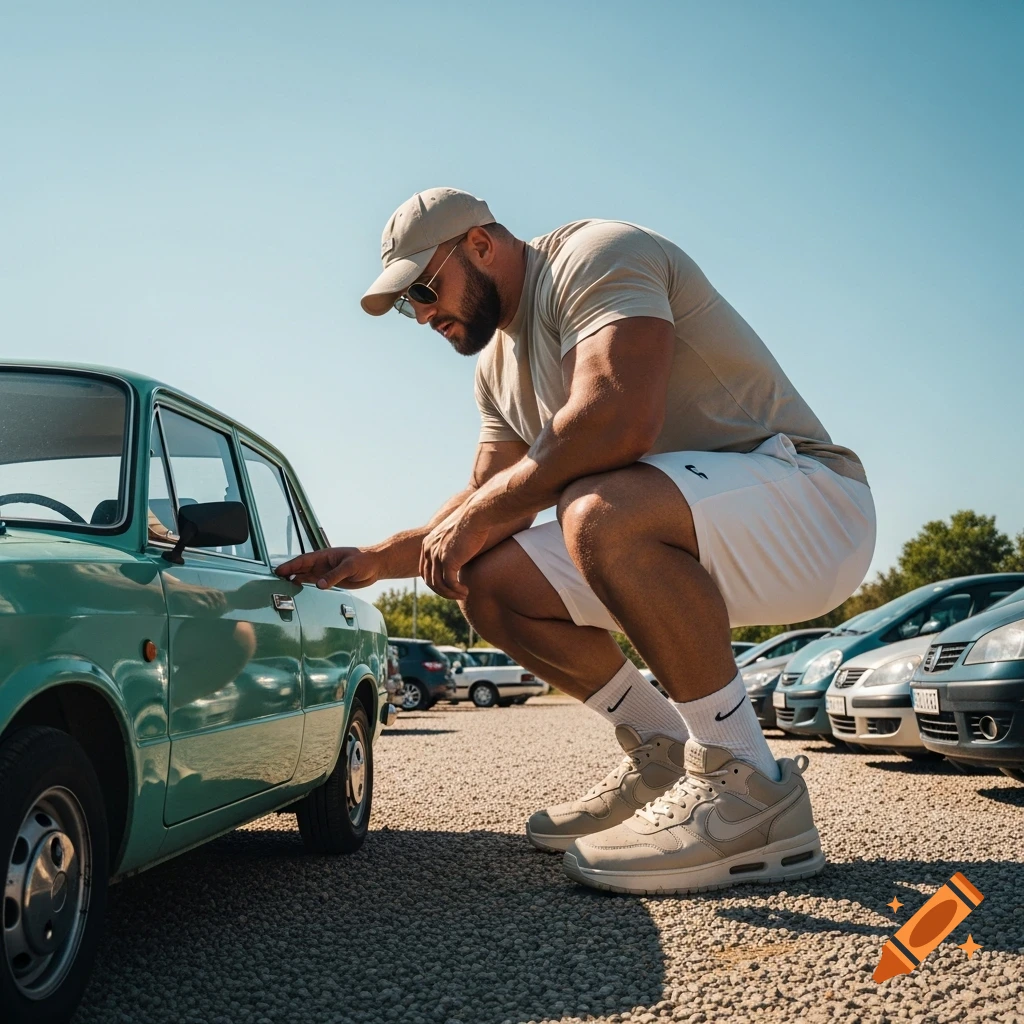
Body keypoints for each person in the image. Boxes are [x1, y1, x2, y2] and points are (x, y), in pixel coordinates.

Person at [277, 187, 876, 895]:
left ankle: (747, 783)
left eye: (426, 287)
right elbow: (484, 501)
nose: (423, 313)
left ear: (481, 245)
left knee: (596, 506)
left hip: (809, 504)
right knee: (489, 579)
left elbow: (616, 419)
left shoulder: (594, 255)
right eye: (408, 303)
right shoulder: (494, 370)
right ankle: (665, 750)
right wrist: (377, 559)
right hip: (680, 526)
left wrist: (473, 521)